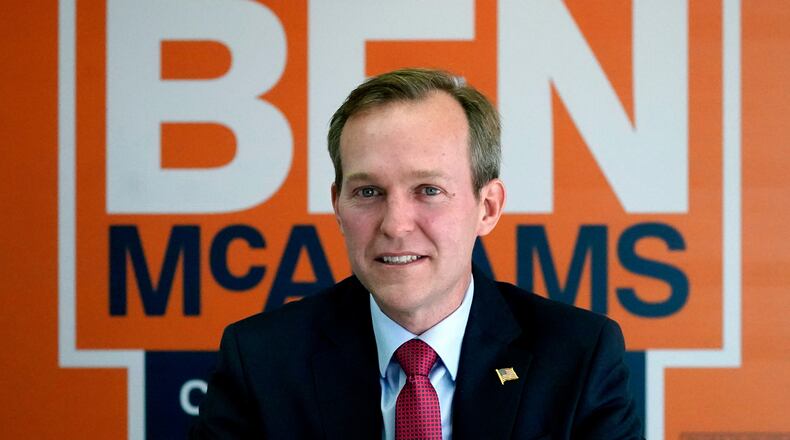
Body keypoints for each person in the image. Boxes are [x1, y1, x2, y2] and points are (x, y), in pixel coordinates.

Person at [191, 68, 643, 439]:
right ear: (338, 207)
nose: (395, 224)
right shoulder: (262, 361)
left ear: (487, 208)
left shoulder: (577, 357)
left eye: (428, 190)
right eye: (368, 192)